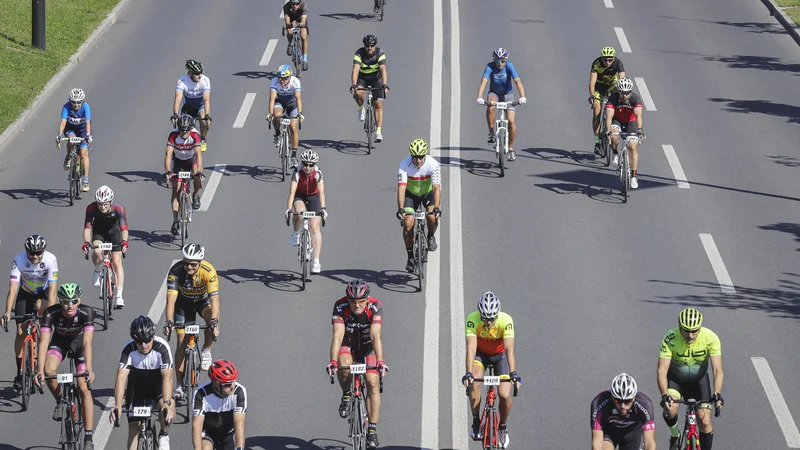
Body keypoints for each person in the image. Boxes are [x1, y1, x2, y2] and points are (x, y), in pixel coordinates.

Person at [326, 279, 387, 449]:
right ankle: (346, 394)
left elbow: (376, 336)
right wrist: (332, 361)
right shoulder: (340, 307)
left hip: (368, 348)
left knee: (372, 382)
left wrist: (381, 362)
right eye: (353, 302)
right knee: (343, 364)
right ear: (348, 300)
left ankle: (372, 430)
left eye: (360, 301)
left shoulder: (376, 306)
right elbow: (337, 336)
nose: (357, 305)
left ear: (367, 300)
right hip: (349, 345)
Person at [35, 283, 96, 450]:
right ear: (60, 301)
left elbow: (87, 342)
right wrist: (39, 370)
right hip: (59, 341)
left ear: (79, 300)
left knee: (83, 387)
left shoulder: (87, 312)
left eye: (74, 301)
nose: (70, 305)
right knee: (49, 371)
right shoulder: (51, 312)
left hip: (79, 344)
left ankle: (89, 437)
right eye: (65, 301)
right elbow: (44, 342)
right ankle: (60, 400)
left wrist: (89, 369)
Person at [461, 292, 521, 449]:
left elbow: (509, 349)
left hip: (500, 356)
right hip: (481, 355)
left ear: (497, 314)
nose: (488, 322)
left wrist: (513, 374)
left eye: (492, 318)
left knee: (504, 394)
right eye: (485, 318)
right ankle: (475, 420)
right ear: (480, 314)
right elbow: (471, 348)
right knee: (474, 382)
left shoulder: (506, 320)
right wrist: (468, 374)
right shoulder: (472, 319)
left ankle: (503, 426)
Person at [658, 308, 724, 450]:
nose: (691, 335)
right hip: (676, 381)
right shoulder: (670, 338)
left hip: (699, 381)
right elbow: (662, 370)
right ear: (679, 327)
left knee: (705, 420)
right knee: (670, 409)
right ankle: (675, 435)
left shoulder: (710, 338)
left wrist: (717, 394)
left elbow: (717, 370)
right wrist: (664, 395)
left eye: (695, 331)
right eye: (686, 330)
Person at [1, 235, 59, 391]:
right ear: (26, 251)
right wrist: (7, 312)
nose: (35, 256)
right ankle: (20, 373)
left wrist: (52, 314)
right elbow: (13, 289)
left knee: (42, 309)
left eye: (38, 253)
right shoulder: (19, 260)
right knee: (20, 331)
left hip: (43, 292)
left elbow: (53, 289)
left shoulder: (50, 259)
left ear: (43, 250)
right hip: (25, 293)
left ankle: (41, 353)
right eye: (31, 253)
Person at [164, 243, 221, 399]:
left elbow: (214, 300)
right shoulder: (175, 271)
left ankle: (206, 349)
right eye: (186, 263)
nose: (188, 267)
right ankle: (180, 385)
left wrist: (214, 322)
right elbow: (170, 300)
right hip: (183, 305)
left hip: (202, 302)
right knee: (181, 342)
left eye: (193, 264)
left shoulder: (209, 272)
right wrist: (169, 321)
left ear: (200, 263)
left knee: (212, 320)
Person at [110, 316, 176, 450]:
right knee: (133, 432)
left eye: (147, 340)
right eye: (139, 342)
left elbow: (167, 378)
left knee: (167, 409)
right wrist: (117, 404)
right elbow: (121, 378)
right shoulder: (128, 349)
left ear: (153, 337)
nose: (144, 345)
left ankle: (163, 434)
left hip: (158, 387)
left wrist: (167, 403)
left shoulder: (162, 347)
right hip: (137, 389)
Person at [396, 138, 442, 272]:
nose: (418, 161)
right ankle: (410, 257)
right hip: (411, 195)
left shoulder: (433, 164)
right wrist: (400, 209)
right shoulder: (404, 165)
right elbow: (401, 189)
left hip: (428, 194)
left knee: (432, 217)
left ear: (425, 155)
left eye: (421, 157)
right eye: (415, 157)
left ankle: (430, 235)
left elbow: (436, 188)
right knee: (408, 223)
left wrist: (437, 208)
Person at [476, 48, 527, 161]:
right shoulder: (490, 66)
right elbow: (483, 82)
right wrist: (479, 97)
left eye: (502, 61)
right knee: (491, 107)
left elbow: (517, 81)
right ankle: (491, 132)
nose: (500, 63)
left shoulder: (509, 66)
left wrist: (522, 96)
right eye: (497, 61)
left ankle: (510, 148)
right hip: (494, 93)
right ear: (494, 60)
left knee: (511, 122)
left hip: (507, 94)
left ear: (506, 60)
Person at [82, 185, 128, 308]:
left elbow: (124, 229)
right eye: (100, 204)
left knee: (117, 263)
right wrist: (86, 242)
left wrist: (124, 241)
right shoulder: (91, 208)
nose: (102, 207)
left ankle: (119, 296)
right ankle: (97, 270)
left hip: (114, 233)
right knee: (97, 251)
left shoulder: (119, 208)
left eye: (106, 204)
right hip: (99, 233)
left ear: (111, 202)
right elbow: (87, 228)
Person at [285, 150, 327, 274]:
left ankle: (316, 261)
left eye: (311, 165)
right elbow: (292, 192)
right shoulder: (297, 172)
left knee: (315, 227)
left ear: (315, 165)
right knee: (299, 213)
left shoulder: (318, 173)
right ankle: (295, 232)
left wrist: (323, 209)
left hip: (314, 197)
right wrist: (288, 209)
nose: (307, 167)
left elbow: (322, 193)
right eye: (305, 164)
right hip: (300, 195)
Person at [590, 373, 656, 450]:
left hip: (632, 434)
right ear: (612, 397)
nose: (623, 406)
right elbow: (596, 443)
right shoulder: (599, 402)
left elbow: (649, 443)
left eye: (627, 401)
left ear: (634, 398)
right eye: (618, 401)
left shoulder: (645, 404)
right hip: (609, 432)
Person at [165, 113, 206, 233]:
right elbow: (168, 154)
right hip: (178, 161)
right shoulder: (173, 135)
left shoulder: (195, 135)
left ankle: (195, 194)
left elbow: (198, 154)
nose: (184, 133)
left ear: (190, 129)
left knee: (197, 178)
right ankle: (175, 221)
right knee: (176, 190)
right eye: (182, 131)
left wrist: (199, 172)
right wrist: (167, 171)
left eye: (186, 131)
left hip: (191, 159)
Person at [192, 360, 246, 450]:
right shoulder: (201, 393)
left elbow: (239, 423)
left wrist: (239, 447)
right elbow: (197, 426)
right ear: (216, 383)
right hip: (209, 433)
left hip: (228, 434)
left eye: (233, 381)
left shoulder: (239, 391)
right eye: (227, 384)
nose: (232, 386)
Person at [604, 78, 645, 189]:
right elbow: (609, 116)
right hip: (617, 120)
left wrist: (640, 129)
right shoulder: (613, 98)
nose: (625, 96)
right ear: (618, 91)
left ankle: (633, 177)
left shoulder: (635, 98)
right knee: (614, 135)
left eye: (627, 93)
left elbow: (638, 116)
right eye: (622, 93)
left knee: (632, 147)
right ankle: (615, 153)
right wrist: (608, 130)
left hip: (631, 122)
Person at [350, 34, 389, 142]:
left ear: (375, 45)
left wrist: (385, 84)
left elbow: (383, 69)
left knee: (378, 104)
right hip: (363, 78)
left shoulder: (380, 52)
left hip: (376, 79)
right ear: (364, 45)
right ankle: (361, 108)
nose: (369, 48)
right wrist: (354, 84)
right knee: (359, 93)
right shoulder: (359, 53)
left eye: (372, 46)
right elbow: (355, 70)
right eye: (367, 46)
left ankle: (378, 131)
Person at [589, 46, 626, 152]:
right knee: (597, 111)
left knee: (619, 97)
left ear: (613, 59)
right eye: (605, 60)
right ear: (601, 58)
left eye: (610, 60)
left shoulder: (618, 63)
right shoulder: (597, 63)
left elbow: (622, 80)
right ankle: (597, 140)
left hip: (611, 85)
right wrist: (592, 95)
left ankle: (615, 123)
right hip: (599, 88)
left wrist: (623, 95)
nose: (607, 62)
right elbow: (592, 82)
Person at [267, 64, 304, 167]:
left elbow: (298, 99)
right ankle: (278, 133)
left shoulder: (295, 81)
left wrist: (300, 114)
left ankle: (293, 156)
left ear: (289, 77)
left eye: (284, 79)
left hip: (292, 104)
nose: (281, 81)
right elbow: (272, 99)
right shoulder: (274, 81)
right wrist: (270, 114)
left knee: (293, 127)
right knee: (277, 115)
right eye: (280, 78)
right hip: (280, 102)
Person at [57, 88, 93, 192]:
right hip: (71, 129)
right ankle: (68, 156)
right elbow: (63, 122)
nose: (76, 105)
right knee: (71, 139)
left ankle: (85, 180)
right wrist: (59, 135)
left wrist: (88, 135)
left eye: (78, 102)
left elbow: (87, 123)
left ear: (82, 101)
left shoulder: (86, 107)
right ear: (70, 101)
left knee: (83, 154)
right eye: (73, 102)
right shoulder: (66, 107)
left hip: (83, 130)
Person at [173, 60, 212, 152]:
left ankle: (202, 139)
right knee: (181, 127)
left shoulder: (205, 80)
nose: (200, 76)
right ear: (190, 74)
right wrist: (175, 114)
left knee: (203, 121)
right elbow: (178, 99)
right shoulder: (182, 81)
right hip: (188, 108)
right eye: (197, 74)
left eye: (201, 73)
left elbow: (206, 99)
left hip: (200, 106)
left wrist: (207, 116)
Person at [283, 0, 309, 70]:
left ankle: (305, 59)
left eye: (297, 4)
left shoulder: (304, 6)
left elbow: (303, 22)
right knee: (289, 31)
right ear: (290, 3)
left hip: (300, 20)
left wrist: (298, 24)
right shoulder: (287, 7)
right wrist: (290, 25)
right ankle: (290, 44)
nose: (295, 6)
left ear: (300, 3)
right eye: (293, 4)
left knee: (303, 36)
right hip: (291, 19)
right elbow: (287, 22)